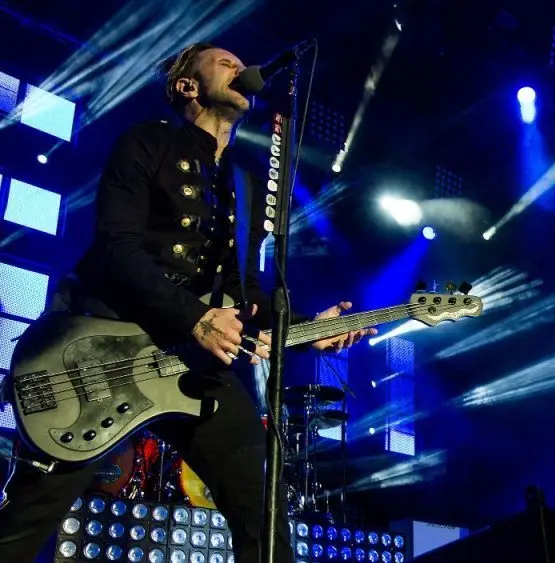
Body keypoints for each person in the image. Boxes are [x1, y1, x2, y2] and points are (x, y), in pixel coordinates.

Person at [0, 43, 375, 562]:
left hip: (190, 369)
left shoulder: (243, 186)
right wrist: (196, 317)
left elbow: (244, 298)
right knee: (21, 528)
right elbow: (117, 248)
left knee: (262, 513)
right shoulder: (146, 143)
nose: (241, 69)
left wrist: (311, 326)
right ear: (187, 85)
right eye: (225, 63)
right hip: (99, 351)